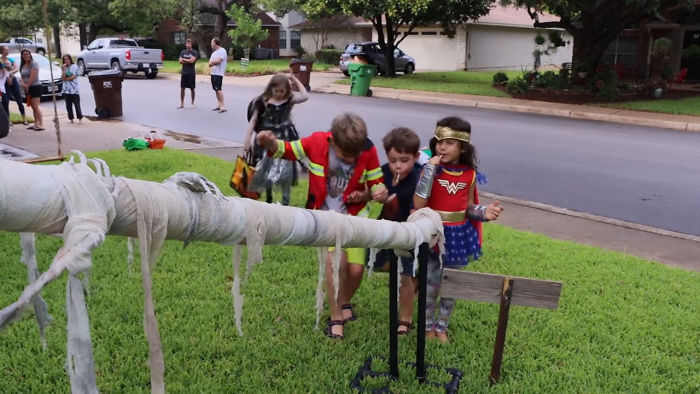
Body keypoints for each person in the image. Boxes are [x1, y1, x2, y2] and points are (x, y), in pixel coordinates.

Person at [257, 113, 388, 340]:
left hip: (356, 218)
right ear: (333, 141)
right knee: (337, 264)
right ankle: (336, 317)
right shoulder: (317, 141)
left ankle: (344, 300)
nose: (351, 159)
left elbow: (376, 181)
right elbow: (286, 150)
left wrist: (376, 192)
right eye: (346, 155)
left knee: (356, 271)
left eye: (355, 155)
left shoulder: (367, 149)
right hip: (326, 219)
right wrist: (269, 142)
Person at [413, 116, 504, 343]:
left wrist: (484, 213)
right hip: (433, 235)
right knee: (430, 284)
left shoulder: (469, 175)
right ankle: (427, 326)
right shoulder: (429, 169)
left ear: (462, 147)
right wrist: (429, 171)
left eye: (450, 142)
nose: (442, 146)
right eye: (439, 141)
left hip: (458, 238)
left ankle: (442, 326)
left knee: (452, 284)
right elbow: (418, 205)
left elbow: (468, 207)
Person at [368, 127, 423, 335]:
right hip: (384, 231)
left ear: (416, 157)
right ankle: (416, 278)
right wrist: (373, 194)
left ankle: (405, 319)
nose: (398, 165)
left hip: (409, 234)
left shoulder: (418, 178)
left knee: (403, 278)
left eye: (404, 160)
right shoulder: (383, 172)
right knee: (374, 263)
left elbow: (417, 208)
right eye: (393, 160)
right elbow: (369, 192)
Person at [244, 73, 309, 205]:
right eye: (276, 90)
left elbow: (305, 96)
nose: (279, 94)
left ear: (287, 90)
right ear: (270, 88)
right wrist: (247, 139)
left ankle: (286, 201)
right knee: (266, 169)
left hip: (284, 140)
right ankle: (269, 198)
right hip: (265, 140)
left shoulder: (289, 100)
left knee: (286, 170)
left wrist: (295, 80)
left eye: (282, 91)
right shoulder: (262, 101)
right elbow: (253, 120)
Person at [1, 45, 27, 126]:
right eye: (5, 50)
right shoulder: (0, 61)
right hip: (4, 82)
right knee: (6, 101)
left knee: (19, 99)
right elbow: (3, 71)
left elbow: (16, 69)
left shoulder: (11, 59)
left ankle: (24, 118)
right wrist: (9, 72)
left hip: (13, 79)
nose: (7, 52)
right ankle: (8, 120)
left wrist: (11, 72)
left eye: (8, 50)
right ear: (1, 51)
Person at [19, 49, 43, 131]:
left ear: (30, 55)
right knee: (33, 107)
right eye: (24, 54)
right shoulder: (23, 65)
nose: (26, 56)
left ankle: (41, 124)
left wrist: (27, 85)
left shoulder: (34, 64)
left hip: (35, 87)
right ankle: (36, 123)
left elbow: (33, 76)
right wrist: (23, 84)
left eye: (28, 54)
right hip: (27, 87)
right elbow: (21, 76)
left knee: (36, 106)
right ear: (22, 56)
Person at [61, 54, 83, 123]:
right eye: (64, 59)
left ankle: (80, 118)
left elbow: (72, 77)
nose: (66, 61)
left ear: (70, 59)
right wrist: (64, 70)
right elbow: (62, 78)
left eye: (67, 59)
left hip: (74, 89)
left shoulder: (74, 66)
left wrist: (66, 78)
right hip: (66, 90)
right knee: (68, 105)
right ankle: (71, 118)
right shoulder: (64, 67)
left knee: (77, 104)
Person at [177, 38, 198, 108]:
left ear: (191, 45)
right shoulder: (183, 52)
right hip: (184, 73)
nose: (188, 45)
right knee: (182, 88)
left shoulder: (194, 52)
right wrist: (188, 60)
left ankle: (192, 103)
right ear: (185, 44)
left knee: (192, 89)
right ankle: (182, 104)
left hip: (191, 73)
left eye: (189, 44)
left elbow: (192, 61)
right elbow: (180, 61)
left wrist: (184, 59)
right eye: (187, 44)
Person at [208, 37, 227, 113]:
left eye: (212, 42)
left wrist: (213, 62)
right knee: (216, 90)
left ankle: (223, 106)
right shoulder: (214, 53)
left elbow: (218, 61)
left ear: (215, 43)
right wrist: (213, 62)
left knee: (219, 90)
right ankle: (219, 105)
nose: (211, 44)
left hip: (219, 74)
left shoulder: (222, 51)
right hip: (213, 73)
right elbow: (209, 64)